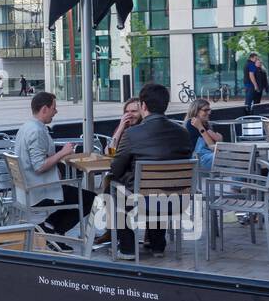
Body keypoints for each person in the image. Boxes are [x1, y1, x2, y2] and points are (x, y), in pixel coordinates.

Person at [108, 83, 192, 259]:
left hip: (143, 201)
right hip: (178, 201)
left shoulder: (132, 134)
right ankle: (157, 246)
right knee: (161, 187)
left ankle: (128, 249)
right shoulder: (183, 133)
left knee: (116, 188)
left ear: (143, 106)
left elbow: (115, 168)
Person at [14, 91, 95, 237]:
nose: (56, 112)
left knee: (75, 195)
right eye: (54, 108)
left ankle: (49, 227)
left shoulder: (26, 127)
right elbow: (39, 166)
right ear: (44, 109)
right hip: (39, 191)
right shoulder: (36, 131)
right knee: (91, 199)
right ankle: (54, 232)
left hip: (27, 189)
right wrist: (63, 153)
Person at [184, 98, 222, 169]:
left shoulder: (205, 124)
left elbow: (218, 141)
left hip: (207, 157)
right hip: (198, 159)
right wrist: (201, 128)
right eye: (205, 110)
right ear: (196, 111)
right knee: (230, 158)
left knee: (238, 160)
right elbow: (212, 146)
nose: (209, 112)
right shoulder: (192, 123)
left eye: (209, 109)